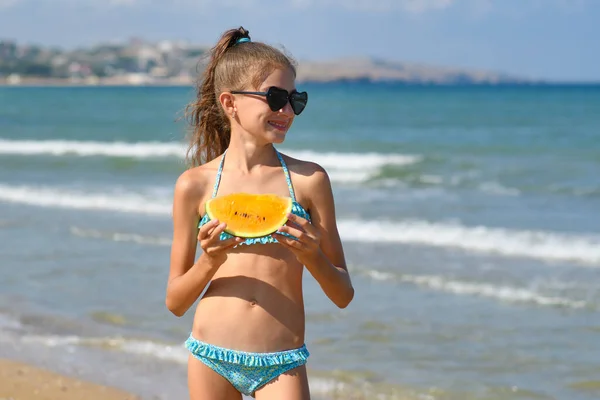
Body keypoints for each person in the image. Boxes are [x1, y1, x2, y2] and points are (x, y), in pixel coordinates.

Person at [165, 26, 354, 400]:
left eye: (295, 100)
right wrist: (209, 261)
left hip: (282, 360)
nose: (287, 111)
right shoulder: (195, 186)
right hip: (210, 354)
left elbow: (343, 294)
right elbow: (175, 302)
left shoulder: (309, 181)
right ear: (230, 103)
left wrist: (312, 256)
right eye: (275, 97)